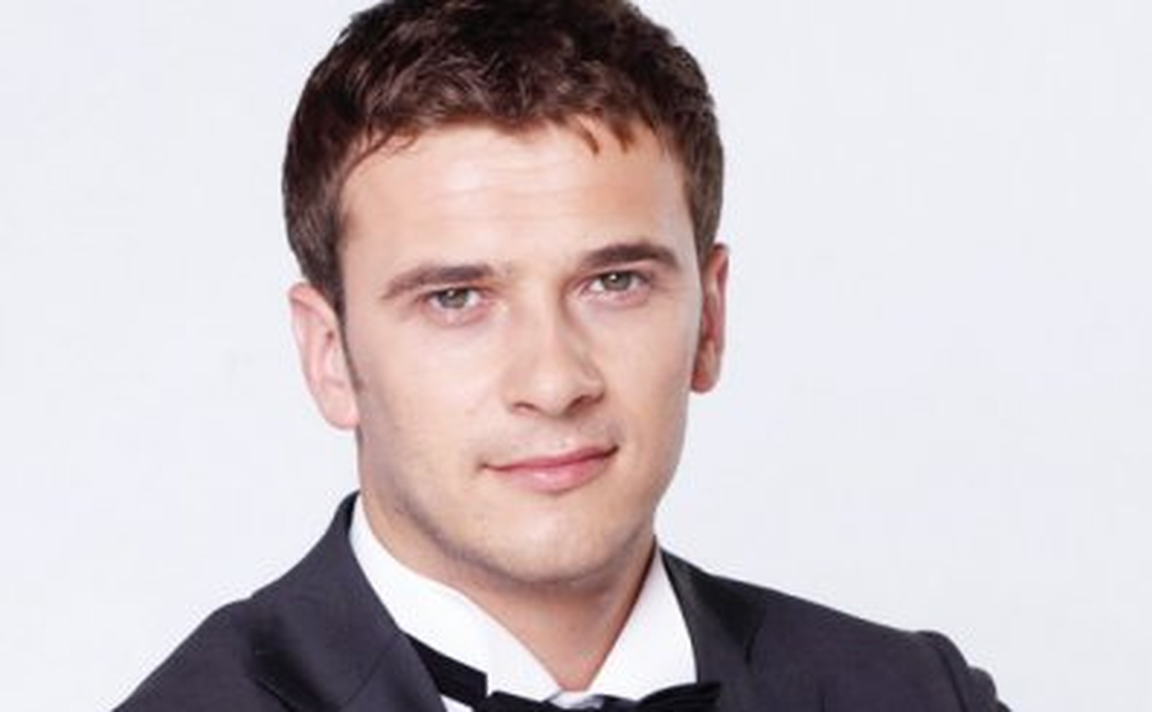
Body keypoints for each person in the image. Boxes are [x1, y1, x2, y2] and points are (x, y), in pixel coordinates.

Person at [115, 1, 1007, 710]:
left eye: (614, 282)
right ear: (330, 356)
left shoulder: (916, 696)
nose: (552, 382)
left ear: (710, 319)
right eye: (455, 298)